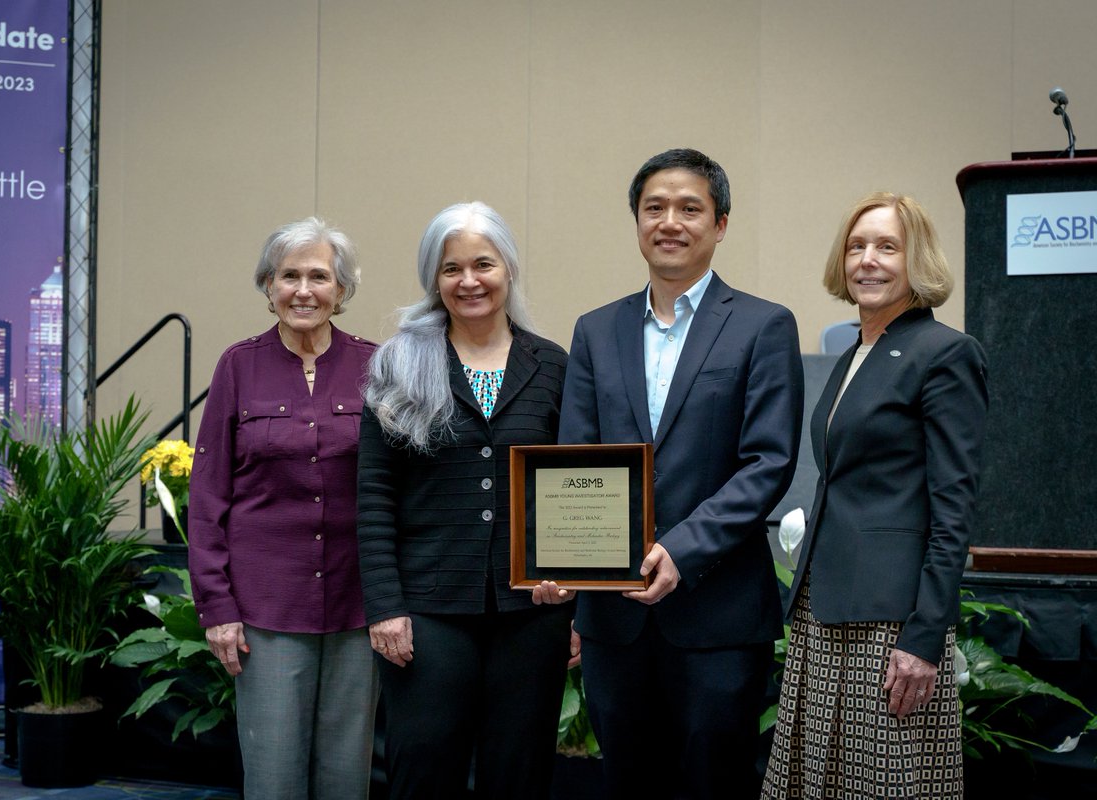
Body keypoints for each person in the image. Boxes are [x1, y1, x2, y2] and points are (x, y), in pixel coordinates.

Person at [539, 148, 804, 799]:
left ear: (720, 224)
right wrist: (570, 562)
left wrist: (680, 550)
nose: (670, 222)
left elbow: (768, 461)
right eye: (654, 207)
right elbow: (578, 462)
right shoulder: (596, 332)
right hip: (614, 623)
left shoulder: (762, 326)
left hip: (717, 615)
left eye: (690, 208)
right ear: (636, 221)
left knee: (713, 785)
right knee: (628, 785)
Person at [761, 192, 988, 798]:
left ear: (919, 261)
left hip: (891, 621)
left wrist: (923, 637)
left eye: (888, 247)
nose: (868, 260)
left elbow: (953, 507)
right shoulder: (853, 354)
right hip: (824, 607)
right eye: (856, 246)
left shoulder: (945, 354)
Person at [357, 201, 573, 799]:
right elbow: (374, 498)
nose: (469, 280)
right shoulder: (398, 364)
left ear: (509, 270)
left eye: (484, 264)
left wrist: (576, 587)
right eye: (451, 268)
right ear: (434, 278)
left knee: (520, 773)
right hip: (426, 613)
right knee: (423, 771)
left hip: (533, 611)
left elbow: (578, 483)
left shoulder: (553, 365)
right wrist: (384, 607)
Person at [188, 217, 378, 800]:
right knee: (273, 777)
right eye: (288, 275)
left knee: (348, 776)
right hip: (265, 610)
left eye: (318, 276)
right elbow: (207, 495)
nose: (303, 290)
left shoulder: (377, 365)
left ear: (341, 290)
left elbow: (398, 487)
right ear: (268, 286)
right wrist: (216, 607)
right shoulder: (238, 366)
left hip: (358, 603)